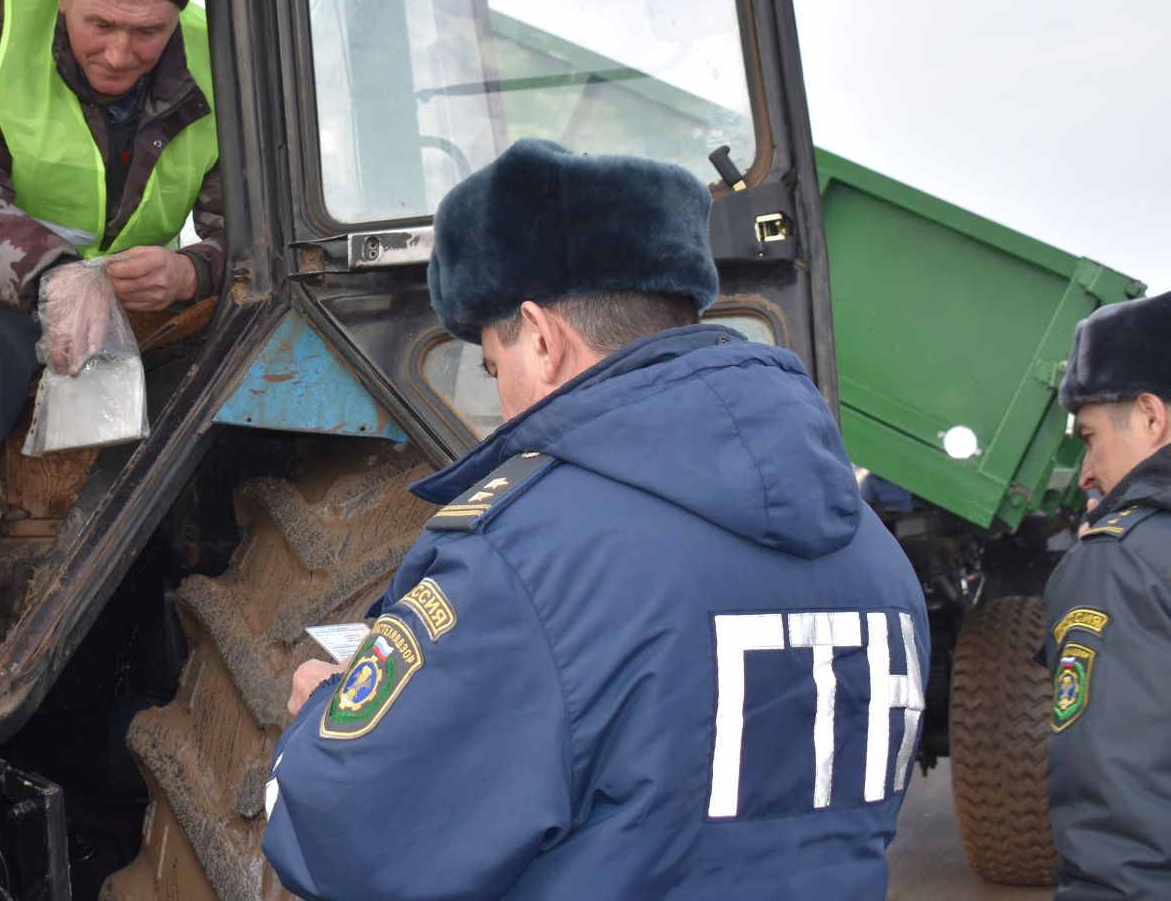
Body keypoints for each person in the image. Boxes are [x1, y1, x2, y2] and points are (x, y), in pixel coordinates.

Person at [262, 139, 928, 901]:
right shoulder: (874, 554)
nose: (500, 399)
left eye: (493, 366)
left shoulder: (522, 557)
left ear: (542, 340)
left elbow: (348, 838)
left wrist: (327, 711)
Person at [0, 0, 223, 532]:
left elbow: (253, 224)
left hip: (145, 294)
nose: (119, 52)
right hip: (0, 284)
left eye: (148, 33)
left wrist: (192, 272)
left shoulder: (227, 63)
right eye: (100, 24)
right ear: (62, 0)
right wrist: (54, 275)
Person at [1043, 291, 1171, 901]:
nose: (1087, 472)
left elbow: (1120, 829)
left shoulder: (1123, 561)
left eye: (1089, 436)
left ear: (1151, 417)